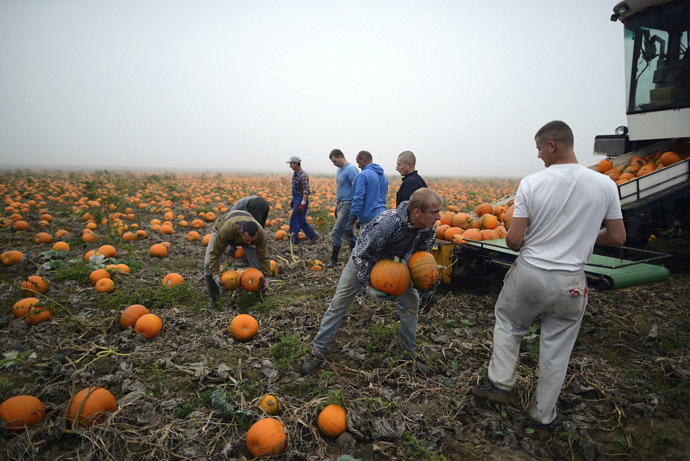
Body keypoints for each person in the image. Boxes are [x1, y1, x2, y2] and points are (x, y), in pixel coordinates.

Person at [471, 121, 626, 428]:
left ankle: (500, 384)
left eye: (540, 149)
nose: (539, 156)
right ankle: (542, 415)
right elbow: (618, 237)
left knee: (510, 322)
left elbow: (514, 241)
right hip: (570, 282)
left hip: (531, 273)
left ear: (552, 145)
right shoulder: (605, 184)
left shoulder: (532, 183)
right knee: (557, 349)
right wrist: (582, 236)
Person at [301, 188, 442, 377]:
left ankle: (407, 355)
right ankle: (318, 352)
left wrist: (423, 280)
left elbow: (422, 255)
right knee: (339, 303)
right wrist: (368, 285)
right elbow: (362, 254)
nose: (439, 217)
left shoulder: (428, 227)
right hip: (364, 258)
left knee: (411, 303)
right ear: (417, 212)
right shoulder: (388, 223)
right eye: (434, 212)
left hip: (396, 264)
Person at [203, 210, 271, 309]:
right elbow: (215, 253)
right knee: (208, 264)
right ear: (240, 232)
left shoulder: (260, 234)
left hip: (244, 231)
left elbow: (263, 256)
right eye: (247, 240)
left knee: (258, 266)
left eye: (252, 241)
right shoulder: (227, 230)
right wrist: (215, 275)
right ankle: (214, 300)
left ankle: (259, 297)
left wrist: (267, 276)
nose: (249, 243)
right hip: (221, 229)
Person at [325, 149, 359, 268]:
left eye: (335, 161)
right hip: (340, 204)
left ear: (340, 157)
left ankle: (333, 260)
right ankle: (357, 254)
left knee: (336, 231)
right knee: (346, 231)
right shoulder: (339, 171)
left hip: (347, 204)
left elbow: (358, 188)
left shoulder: (351, 169)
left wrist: (356, 208)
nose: (334, 164)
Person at [349, 150, 388, 229]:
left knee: (367, 241)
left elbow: (358, 197)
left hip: (368, 217)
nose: (358, 166)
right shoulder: (383, 176)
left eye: (358, 162)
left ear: (363, 160)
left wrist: (353, 217)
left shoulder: (363, 175)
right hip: (382, 215)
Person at [228, 195, 271, 267]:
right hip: (264, 203)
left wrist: (233, 247)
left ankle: (246, 260)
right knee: (259, 231)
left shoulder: (230, 214)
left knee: (250, 233)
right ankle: (260, 255)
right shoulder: (235, 208)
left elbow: (234, 230)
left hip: (255, 205)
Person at [287, 156, 319, 245]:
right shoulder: (295, 174)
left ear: (296, 163)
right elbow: (296, 189)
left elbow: (306, 191)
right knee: (300, 220)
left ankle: (294, 240)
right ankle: (312, 235)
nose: (290, 165)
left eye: (291, 163)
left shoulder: (303, 175)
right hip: (297, 199)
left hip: (301, 200)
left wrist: (302, 204)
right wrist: (293, 200)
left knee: (294, 219)